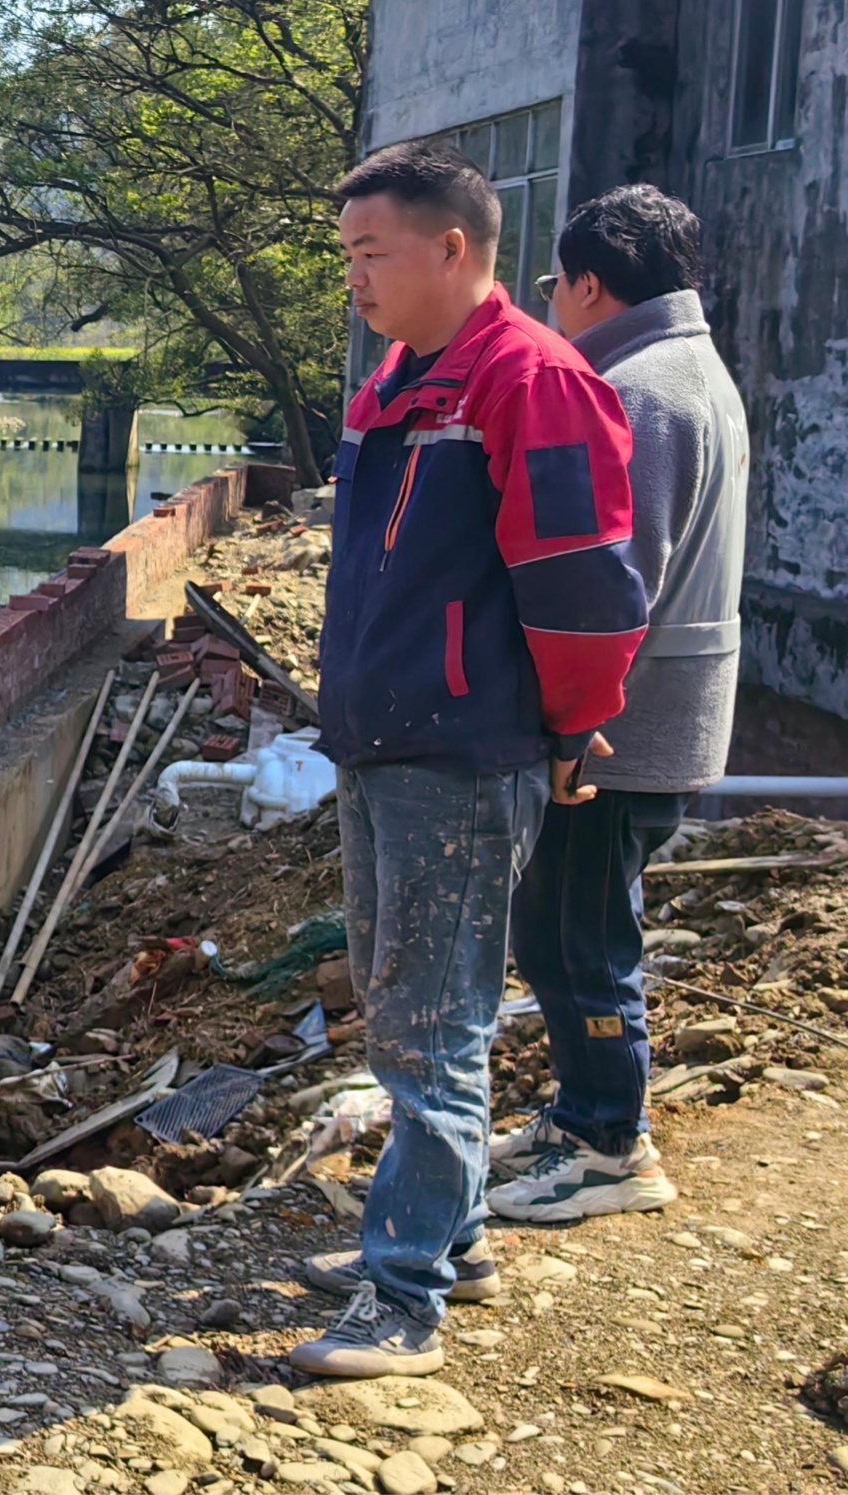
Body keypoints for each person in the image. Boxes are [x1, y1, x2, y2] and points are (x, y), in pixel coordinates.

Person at [291, 139, 647, 1377]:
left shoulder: (527, 380)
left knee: (431, 1023)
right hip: (384, 738)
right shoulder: (403, 379)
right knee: (400, 1003)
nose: (355, 278)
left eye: (371, 252)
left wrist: (568, 723)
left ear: (455, 247)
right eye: (346, 255)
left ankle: (404, 1296)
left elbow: (583, 585)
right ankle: (453, 1233)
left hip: (460, 746)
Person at [487, 185, 748, 1222]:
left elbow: (607, 586)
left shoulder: (635, 390)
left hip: (618, 728)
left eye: (555, 280)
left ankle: (610, 1142)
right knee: (578, 919)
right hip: (654, 716)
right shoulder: (691, 371)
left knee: (576, 933)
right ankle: (587, 1109)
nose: (548, 297)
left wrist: (566, 728)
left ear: (591, 283)